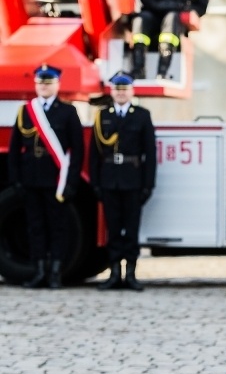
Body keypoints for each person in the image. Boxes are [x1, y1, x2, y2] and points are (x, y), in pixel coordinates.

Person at [7, 64, 84, 289]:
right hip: (31, 179)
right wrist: (16, 181)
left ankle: (55, 273)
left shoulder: (67, 112)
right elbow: (14, 149)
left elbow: (77, 150)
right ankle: (38, 271)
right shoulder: (26, 111)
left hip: (55, 180)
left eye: (48, 83)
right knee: (35, 226)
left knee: (57, 226)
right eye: (40, 82)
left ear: (57, 85)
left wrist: (71, 182)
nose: (44, 86)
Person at [89, 71, 157, 291]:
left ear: (131, 91)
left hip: (133, 180)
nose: (120, 93)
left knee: (131, 229)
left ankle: (131, 274)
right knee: (114, 229)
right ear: (112, 91)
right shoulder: (102, 116)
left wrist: (148, 185)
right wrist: (96, 183)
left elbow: (150, 154)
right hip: (109, 180)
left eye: (124, 89)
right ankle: (114, 273)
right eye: (117, 89)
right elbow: (94, 154)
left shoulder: (142, 116)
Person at [130, 0, 212, 80]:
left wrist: (183, 8)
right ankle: (138, 70)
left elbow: (201, 7)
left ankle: (162, 72)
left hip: (176, 17)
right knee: (140, 20)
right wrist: (158, 6)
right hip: (153, 12)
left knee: (171, 19)